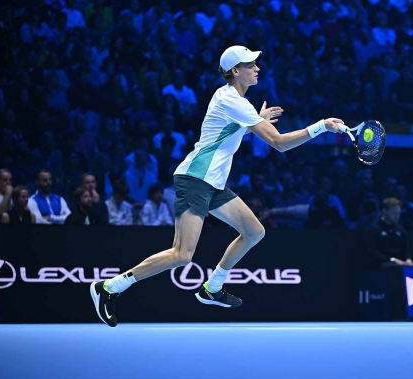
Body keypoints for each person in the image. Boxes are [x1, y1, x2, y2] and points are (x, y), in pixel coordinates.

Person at [90, 45, 345, 327]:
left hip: (213, 184)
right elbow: (280, 143)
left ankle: (212, 287)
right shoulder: (232, 101)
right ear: (235, 71)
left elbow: (229, 132)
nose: (257, 68)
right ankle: (109, 287)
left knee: (254, 231)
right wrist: (321, 125)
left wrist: (255, 121)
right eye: (251, 64)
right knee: (182, 254)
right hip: (195, 179)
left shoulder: (234, 101)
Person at [363, 197, 413, 270]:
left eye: (398, 213)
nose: (397, 216)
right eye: (394, 213)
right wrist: (392, 259)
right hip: (382, 264)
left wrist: (408, 259)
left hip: (401, 263)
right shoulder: (373, 229)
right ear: (385, 211)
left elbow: (406, 250)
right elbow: (372, 253)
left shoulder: (400, 229)